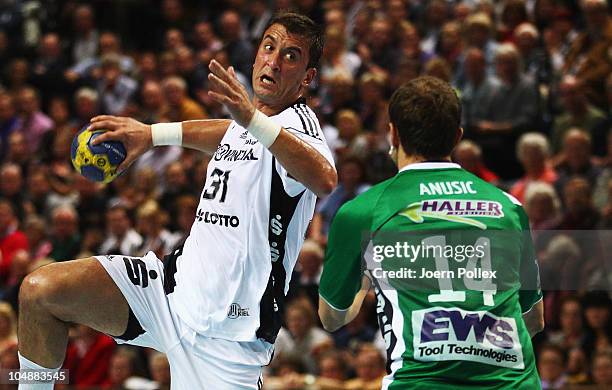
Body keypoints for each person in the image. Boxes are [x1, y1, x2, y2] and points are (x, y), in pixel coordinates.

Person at [17, 12, 336, 390]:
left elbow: (325, 178)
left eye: (291, 56)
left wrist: (250, 118)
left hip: (228, 338)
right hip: (169, 293)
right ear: (256, 55)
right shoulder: (248, 126)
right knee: (41, 292)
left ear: (307, 78)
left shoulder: (298, 126)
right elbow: (228, 133)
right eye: (269, 47)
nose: (274, 60)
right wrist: (152, 134)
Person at [318, 76, 544, 388]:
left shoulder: (362, 211)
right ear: (457, 137)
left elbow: (332, 318)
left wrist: (366, 281)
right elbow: (534, 319)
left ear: (393, 134)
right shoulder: (509, 207)